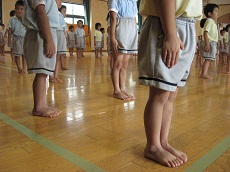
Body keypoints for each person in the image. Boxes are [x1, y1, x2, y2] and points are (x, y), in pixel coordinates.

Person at [138, 0, 202, 168]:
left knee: (170, 94)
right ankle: (153, 146)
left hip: (185, 25)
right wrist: (171, 34)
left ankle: (162, 142)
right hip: (167, 23)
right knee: (160, 94)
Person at [23, 0, 61, 117]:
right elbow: (40, 13)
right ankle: (38, 107)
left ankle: (42, 103)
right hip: (41, 34)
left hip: (46, 32)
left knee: (44, 73)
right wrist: (49, 40)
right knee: (41, 73)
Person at [108, 0, 138, 100]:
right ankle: (116, 90)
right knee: (118, 63)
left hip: (132, 28)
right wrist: (112, 37)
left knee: (125, 64)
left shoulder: (134, 1)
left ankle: (123, 88)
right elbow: (113, 18)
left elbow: (134, 17)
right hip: (121, 27)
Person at [50, 4, 68, 83]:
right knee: (52, 56)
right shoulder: (52, 12)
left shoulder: (61, 17)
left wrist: (65, 38)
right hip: (54, 33)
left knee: (58, 56)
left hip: (60, 35)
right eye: (64, 11)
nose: (65, 13)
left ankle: (55, 76)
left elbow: (64, 29)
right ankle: (51, 76)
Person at [200, 4, 219, 79]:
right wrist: (207, 44)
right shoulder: (209, 21)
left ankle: (204, 73)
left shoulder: (212, 22)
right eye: (216, 11)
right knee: (208, 59)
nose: (218, 13)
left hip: (212, 43)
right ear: (209, 13)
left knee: (209, 59)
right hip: (210, 42)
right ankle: (203, 74)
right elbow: (205, 32)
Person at [8, 0, 27, 73]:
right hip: (16, 38)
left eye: (22, 9)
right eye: (18, 9)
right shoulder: (12, 19)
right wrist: (9, 39)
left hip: (25, 38)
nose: (19, 11)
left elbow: (27, 26)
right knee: (17, 54)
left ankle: (24, 68)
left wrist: (21, 18)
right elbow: (9, 30)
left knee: (24, 54)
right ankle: (19, 68)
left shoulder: (25, 19)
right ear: (15, 9)